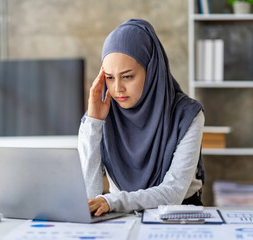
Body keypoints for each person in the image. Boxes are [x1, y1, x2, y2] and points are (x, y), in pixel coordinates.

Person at [78, 19, 205, 217]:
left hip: (177, 215)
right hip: (119, 214)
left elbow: (174, 192)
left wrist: (112, 201)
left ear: (152, 71)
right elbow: (89, 196)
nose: (118, 88)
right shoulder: (100, 115)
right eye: (110, 78)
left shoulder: (187, 114)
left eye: (127, 76)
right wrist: (94, 123)